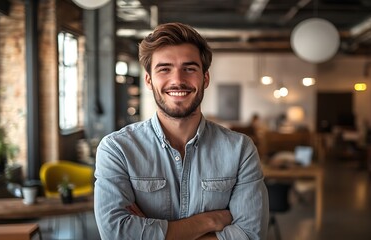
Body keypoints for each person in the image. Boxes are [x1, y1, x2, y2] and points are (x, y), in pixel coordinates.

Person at [94, 22, 269, 240]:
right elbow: (116, 234)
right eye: (164, 69)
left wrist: (150, 233)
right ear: (149, 80)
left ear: (205, 78)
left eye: (189, 68)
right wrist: (208, 222)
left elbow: (250, 235)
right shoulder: (117, 149)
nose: (177, 80)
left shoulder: (240, 149)